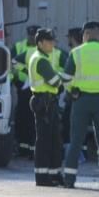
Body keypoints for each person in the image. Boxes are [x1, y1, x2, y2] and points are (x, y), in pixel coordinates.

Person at [61, 20, 99, 190]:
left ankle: (69, 180)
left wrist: (72, 91)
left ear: (85, 34)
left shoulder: (76, 52)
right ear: (98, 34)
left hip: (80, 100)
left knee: (76, 141)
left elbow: (65, 78)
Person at [28, 28, 64, 187]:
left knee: (53, 140)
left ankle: (54, 174)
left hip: (47, 102)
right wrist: (61, 80)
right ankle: (43, 177)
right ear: (40, 43)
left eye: (53, 41)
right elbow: (55, 81)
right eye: (49, 41)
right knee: (45, 142)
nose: (52, 44)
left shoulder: (41, 57)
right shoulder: (41, 60)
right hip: (45, 103)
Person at [12, 25, 40, 157]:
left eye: (34, 36)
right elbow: (9, 64)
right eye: (30, 35)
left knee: (33, 120)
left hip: (37, 88)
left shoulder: (43, 50)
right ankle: (22, 147)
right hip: (22, 88)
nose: (31, 38)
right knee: (22, 118)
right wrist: (15, 82)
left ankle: (32, 149)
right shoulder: (19, 47)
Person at [61, 27, 83, 145]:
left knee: (68, 122)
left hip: (74, 94)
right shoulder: (84, 51)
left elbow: (68, 76)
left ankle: (70, 150)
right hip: (84, 93)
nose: (68, 40)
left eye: (69, 37)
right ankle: (81, 152)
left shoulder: (75, 53)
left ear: (72, 38)